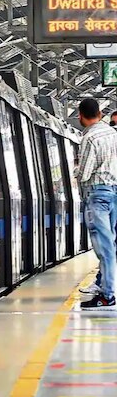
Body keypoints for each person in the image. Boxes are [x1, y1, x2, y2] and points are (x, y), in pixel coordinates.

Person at [76, 99, 117, 309]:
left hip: (98, 194)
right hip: (114, 192)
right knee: (111, 243)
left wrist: (76, 171)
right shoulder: (114, 134)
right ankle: (103, 286)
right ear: (100, 114)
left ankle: (107, 295)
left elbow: (84, 173)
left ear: (80, 116)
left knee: (104, 246)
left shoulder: (90, 138)